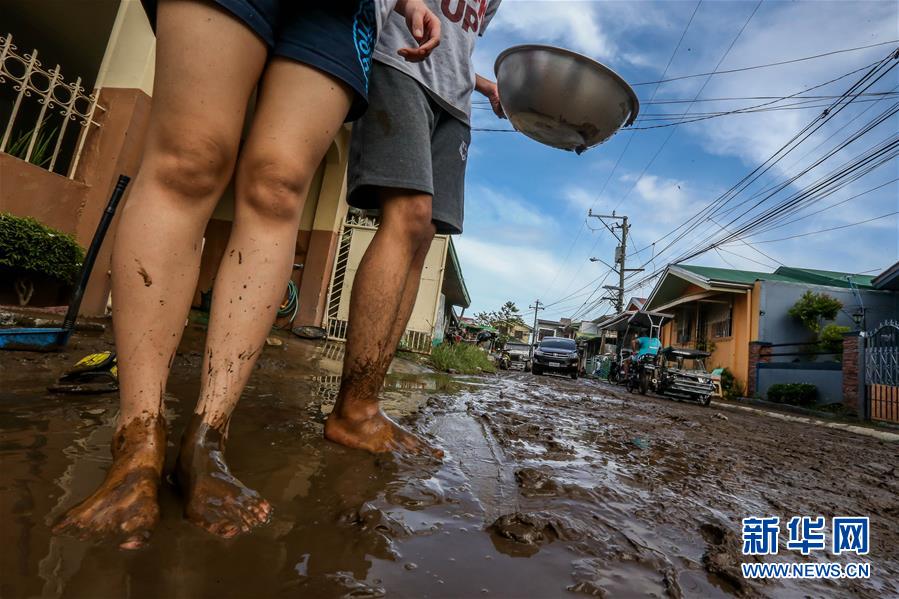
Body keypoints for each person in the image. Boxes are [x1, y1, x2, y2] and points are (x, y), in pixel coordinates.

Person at [54, 0, 440, 549]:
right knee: (190, 156)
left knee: (278, 187)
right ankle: (137, 441)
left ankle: (207, 440)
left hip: (342, 11)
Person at [324, 0, 504, 456]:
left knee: (424, 235)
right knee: (409, 216)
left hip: (456, 103)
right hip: (400, 65)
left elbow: (458, 42)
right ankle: (353, 407)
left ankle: (367, 406)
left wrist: (481, 84)